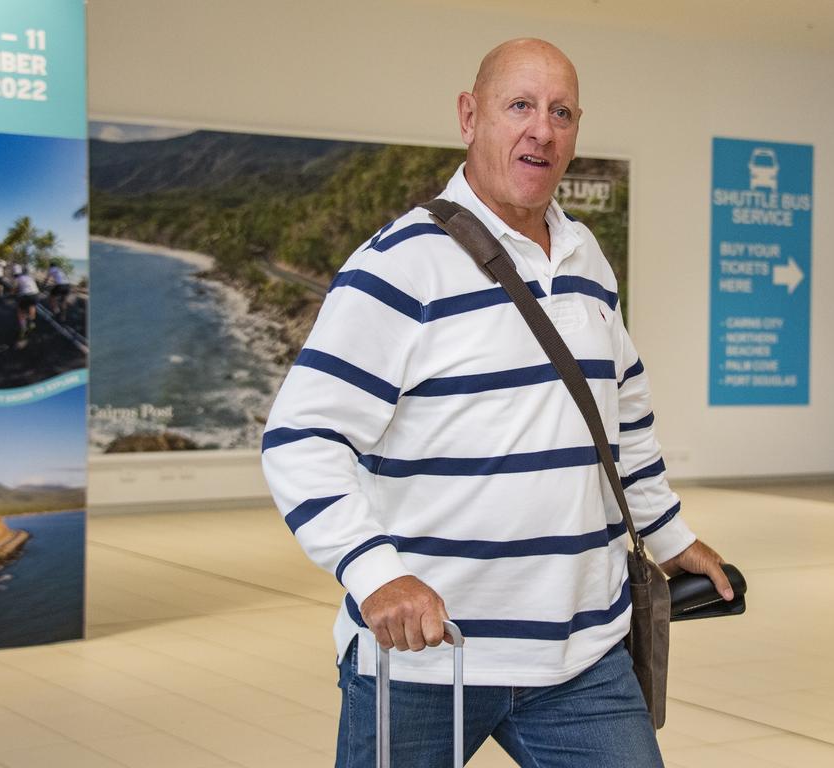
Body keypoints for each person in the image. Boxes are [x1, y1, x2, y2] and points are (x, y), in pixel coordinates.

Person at [262, 39, 735, 766]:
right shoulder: (400, 264)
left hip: (584, 656)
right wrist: (376, 573)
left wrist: (670, 539)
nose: (540, 129)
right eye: (519, 106)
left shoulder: (587, 261)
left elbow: (624, 421)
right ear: (469, 116)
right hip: (428, 660)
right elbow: (302, 436)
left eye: (561, 112)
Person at [13, 269, 40, 341]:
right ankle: (31, 322)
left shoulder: (18, 278)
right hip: (35, 294)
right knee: (32, 306)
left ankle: (23, 327)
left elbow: (15, 289)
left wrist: (14, 292)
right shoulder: (31, 278)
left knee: (20, 311)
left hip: (25, 296)